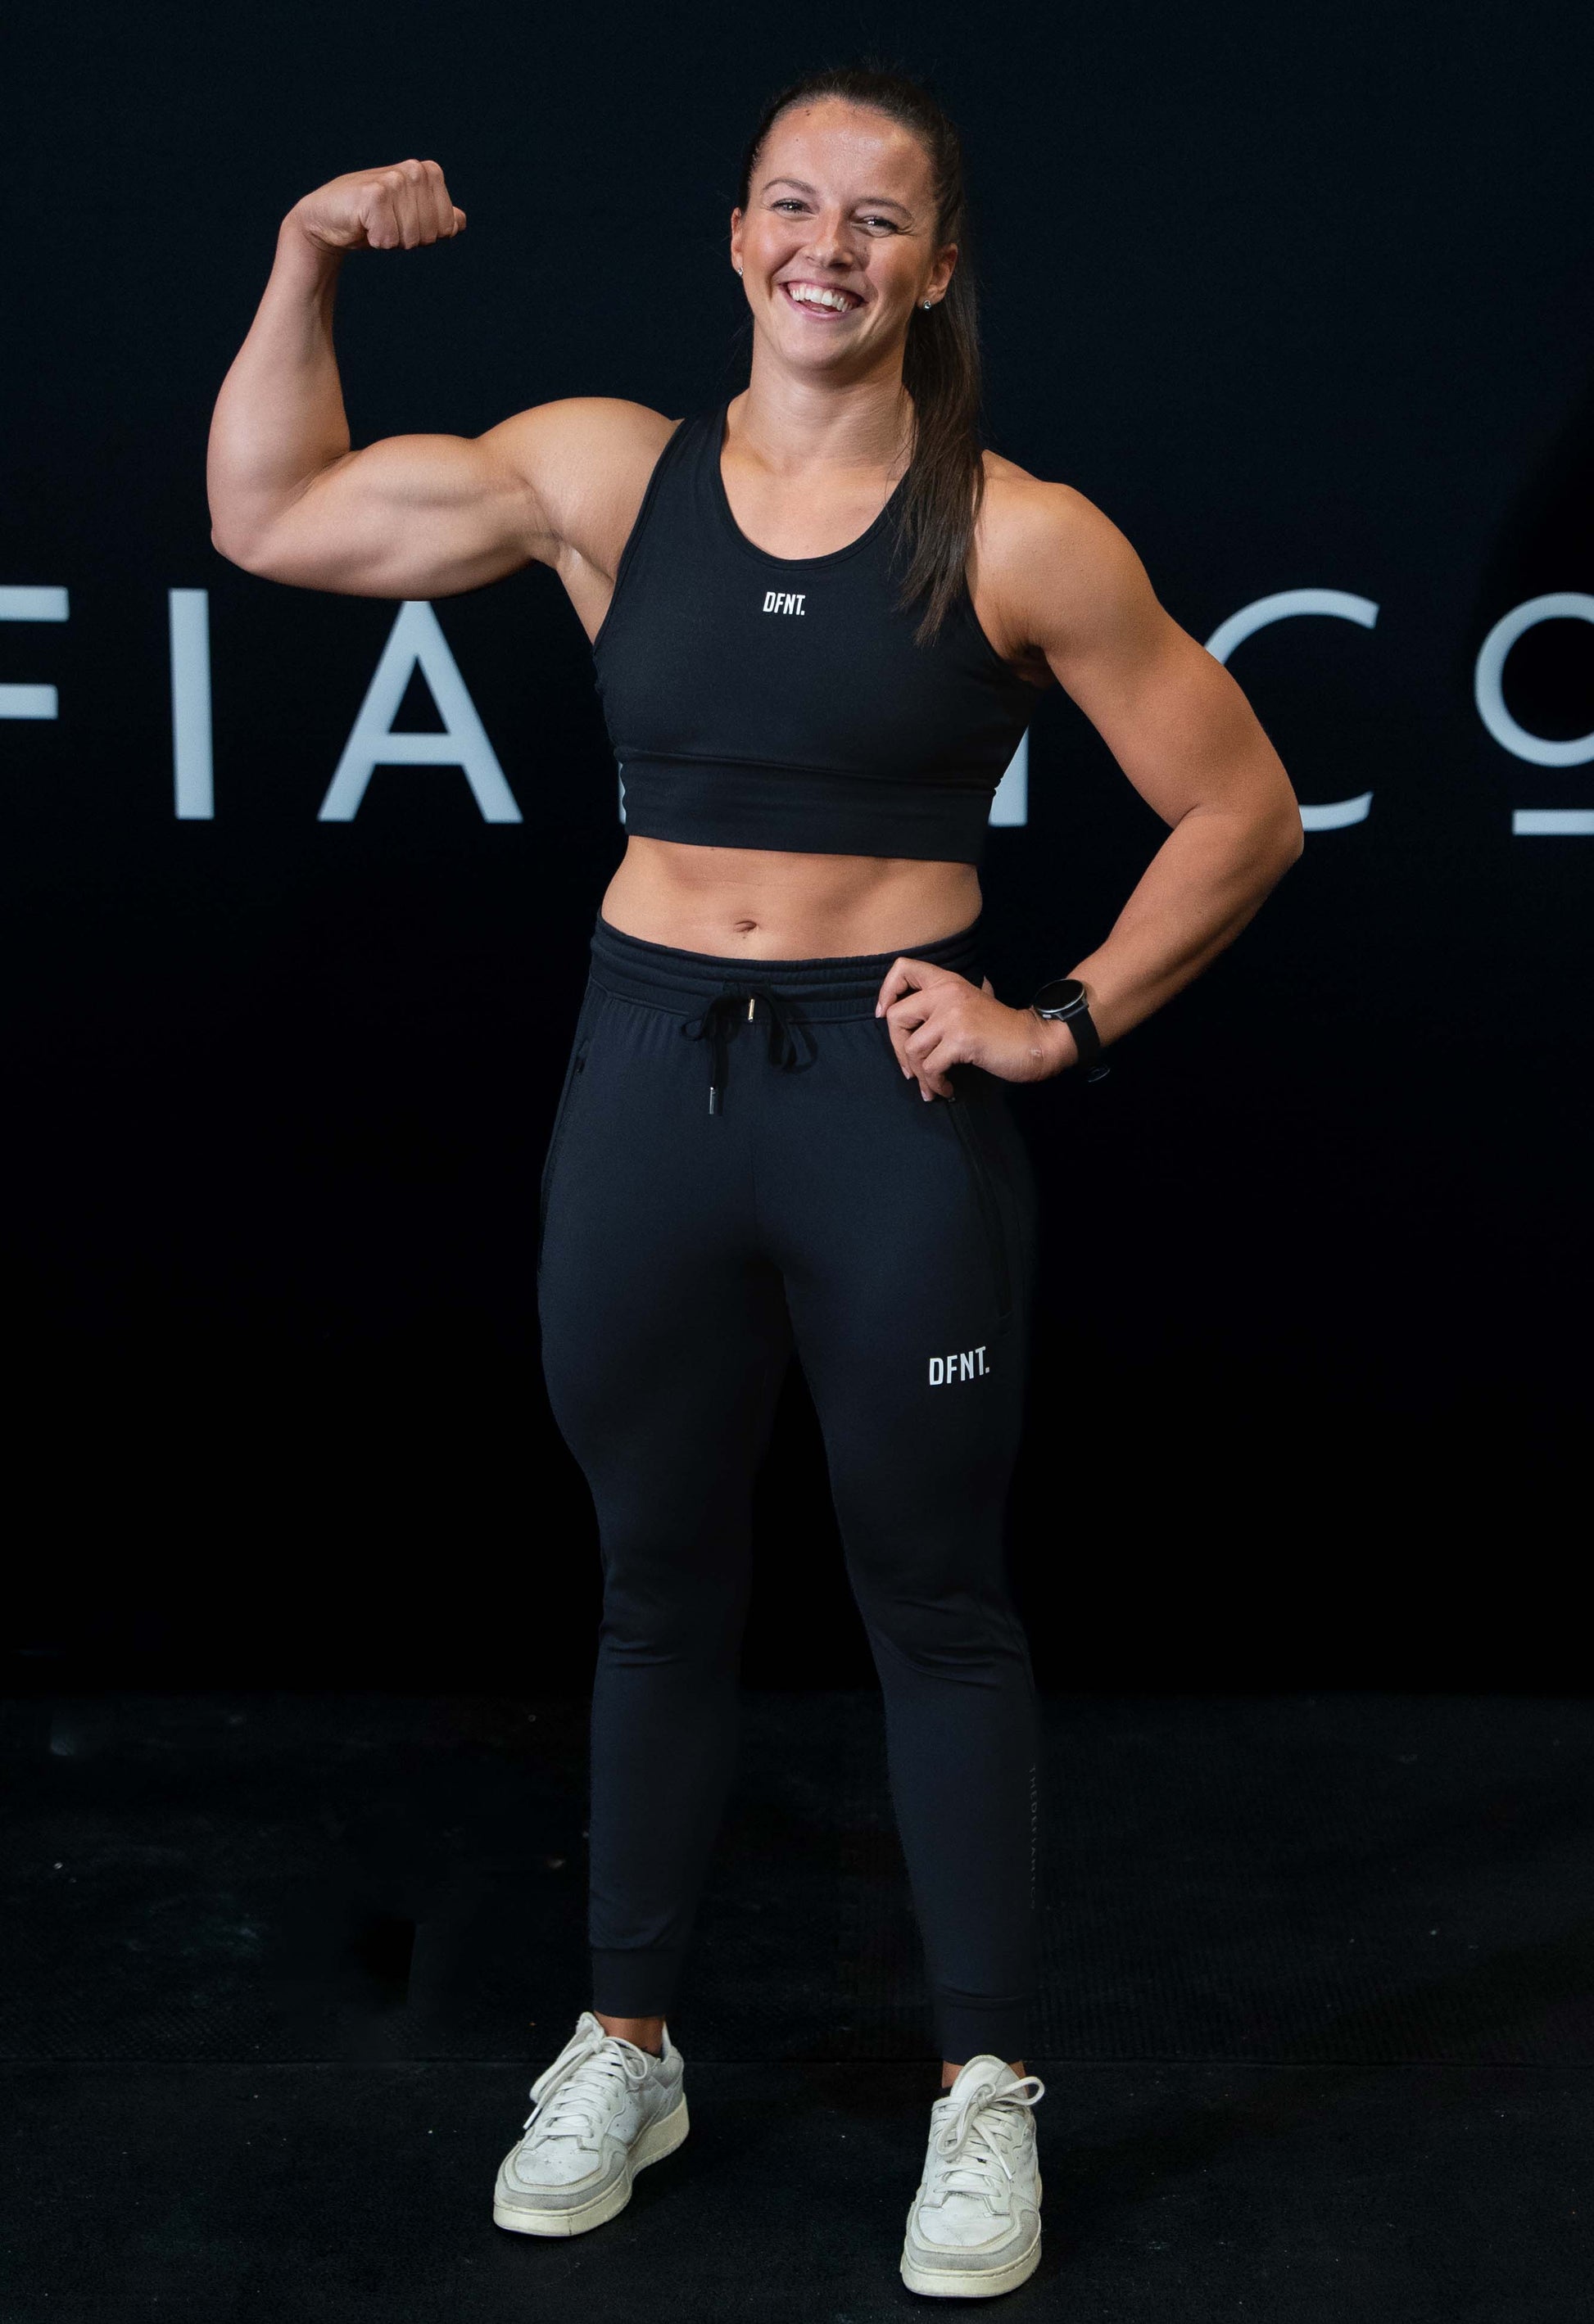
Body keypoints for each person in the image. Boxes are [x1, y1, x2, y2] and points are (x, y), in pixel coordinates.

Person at [208, 65, 1301, 2300]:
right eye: (792, 206)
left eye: (876, 217)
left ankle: (979, 2090)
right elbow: (272, 518)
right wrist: (307, 255)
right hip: (641, 1080)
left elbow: (1240, 809)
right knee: (650, 1583)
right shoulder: (607, 471)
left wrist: (1051, 1019)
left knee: (932, 1595)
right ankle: (626, 2035)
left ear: (935, 264)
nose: (829, 245)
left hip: (879, 1111)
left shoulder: (1020, 528)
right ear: (733, 237)